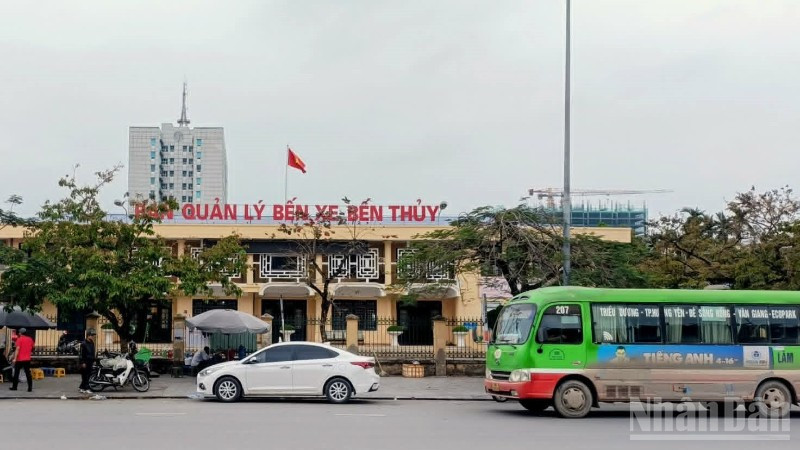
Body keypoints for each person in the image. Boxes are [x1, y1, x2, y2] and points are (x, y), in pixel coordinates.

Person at [10, 328, 34, 392]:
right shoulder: (30, 339)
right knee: (28, 373)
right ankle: (30, 388)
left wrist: (14, 358)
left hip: (19, 359)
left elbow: (17, 349)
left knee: (16, 373)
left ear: (20, 333)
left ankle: (14, 387)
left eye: (19, 332)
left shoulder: (19, 339)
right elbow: (32, 349)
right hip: (27, 359)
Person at [78, 328, 96, 394]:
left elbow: (93, 352)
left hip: (90, 361)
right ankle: (87, 388)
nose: (93, 337)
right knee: (85, 376)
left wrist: (94, 359)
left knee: (88, 375)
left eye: (93, 335)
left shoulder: (92, 343)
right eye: (92, 335)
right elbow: (81, 354)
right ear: (88, 335)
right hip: (85, 362)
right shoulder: (83, 344)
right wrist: (82, 362)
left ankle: (81, 388)